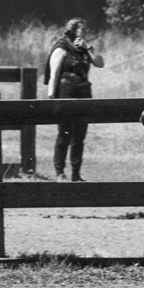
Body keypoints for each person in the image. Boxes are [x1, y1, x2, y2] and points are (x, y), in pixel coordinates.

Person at [45, 17, 103, 181]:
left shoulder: (84, 48)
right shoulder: (61, 47)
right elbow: (54, 73)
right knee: (64, 134)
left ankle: (76, 173)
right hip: (66, 92)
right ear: (73, 30)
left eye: (85, 30)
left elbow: (100, 63)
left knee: (79, 135)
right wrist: (52, 96)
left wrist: (89, 47)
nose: (85, 33)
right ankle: (60, 172)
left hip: (83, 92)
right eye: (82, 30)